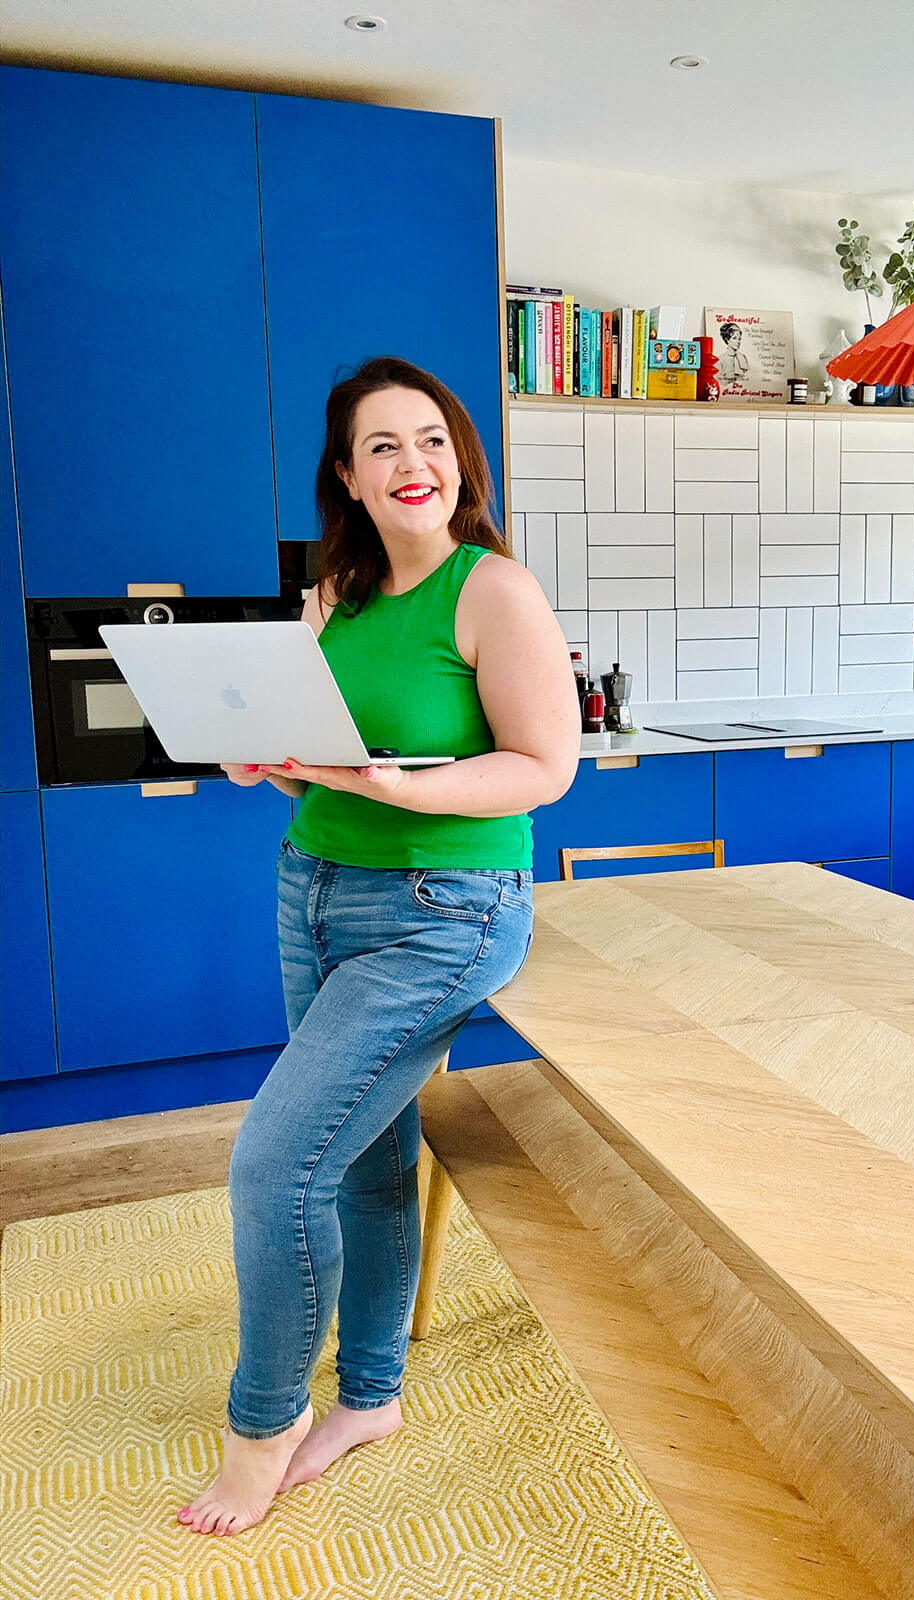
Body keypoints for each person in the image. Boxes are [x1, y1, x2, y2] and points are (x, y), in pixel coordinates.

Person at [178, 356, 580, 1536]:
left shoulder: (492, 589)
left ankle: (262, 1428)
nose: (415, 465)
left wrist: (401, 784)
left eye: (433, 440)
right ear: (348, 478)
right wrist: (268, 760)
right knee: (362, 1155)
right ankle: (370, 1398)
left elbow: (543, 766)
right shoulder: (331, 597)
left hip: (442, 910)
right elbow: (318, 757)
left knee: (274, 1163)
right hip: (314, 886)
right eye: (384, 447)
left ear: (461, 460)